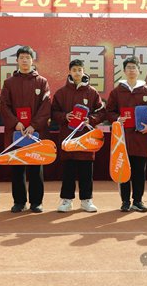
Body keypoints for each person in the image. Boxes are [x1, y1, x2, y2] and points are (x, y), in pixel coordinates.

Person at [0, 46, 51, 213]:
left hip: (35, 132)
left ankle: (36, 202)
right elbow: (4, 106)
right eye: (21, 57)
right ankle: (19, 202)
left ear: (32, 60)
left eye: (27, 57)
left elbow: (46, 107)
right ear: (17, 60)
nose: (24, 60)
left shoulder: (41, 82)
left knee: (36, 167)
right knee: (17, 167)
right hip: (16, 131)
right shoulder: (9, 83)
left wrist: (33, 125)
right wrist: (16, 123)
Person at [51, 59, 105, 212]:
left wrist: (91, 119)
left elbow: (102, 112)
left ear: (83, 71)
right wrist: (64, 116)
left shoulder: (92, 92)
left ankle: (86, 200)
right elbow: (53, 112)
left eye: (79, 70)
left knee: (86, 170)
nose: (77, 73)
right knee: (68, 170)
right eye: (74, 70)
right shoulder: (61, 93)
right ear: (69, 72)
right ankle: (66, 200)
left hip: (86, 138)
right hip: (68, 137)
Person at [106, 56, 147, 212]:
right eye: (128, 67)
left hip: (142, 137)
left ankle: (138, 201)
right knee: (123, 170)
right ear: (124, 70)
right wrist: (117, 119)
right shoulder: (117, 91)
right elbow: (109, 111)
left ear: (139, 70)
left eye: (134, 67)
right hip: (123, 138)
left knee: (139, 171)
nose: (131, 70)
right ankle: (125, 201)